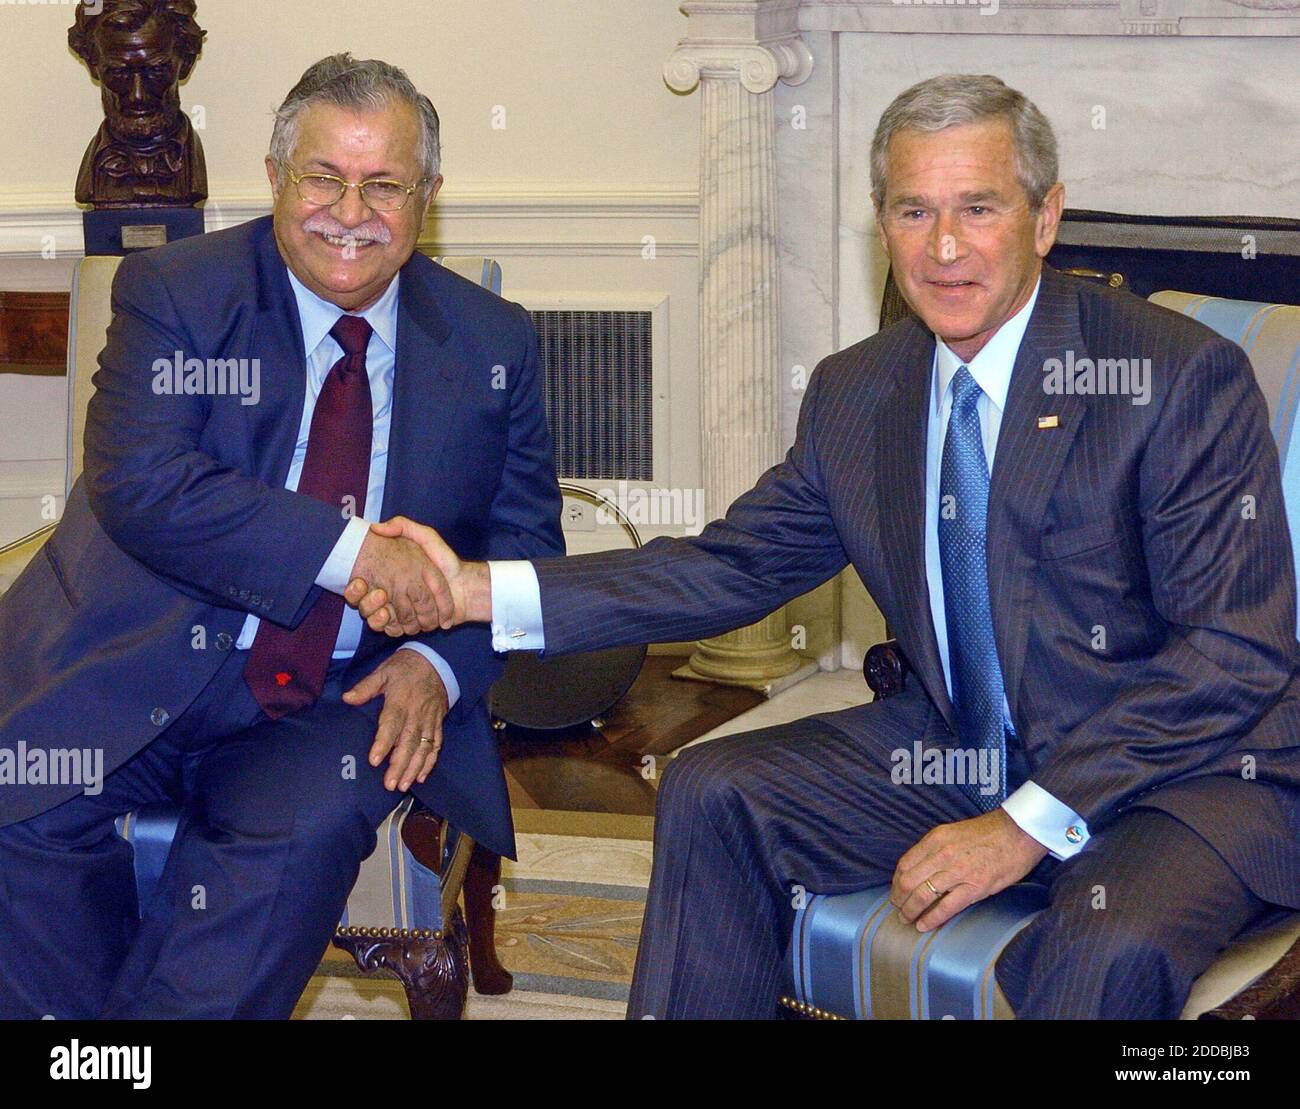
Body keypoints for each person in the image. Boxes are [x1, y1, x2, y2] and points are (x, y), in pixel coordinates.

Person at [352, 74, 1300, 1019]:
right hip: (959, 750)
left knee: (1106, 944)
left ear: (1045, 219)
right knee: (714, 790)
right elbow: (728, 566)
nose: (945, 246)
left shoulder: (1170, 377)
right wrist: (474, 589)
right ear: (880, 226)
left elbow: (1234, 651)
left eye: (979, 208)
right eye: (913, 210)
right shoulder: (861, 392)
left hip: (1181, 776)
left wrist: (1021, 826)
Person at [0, 54, 562, 1019]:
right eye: (323, 178)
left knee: (282, 847)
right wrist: (354, 555)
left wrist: (437, 658)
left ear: (428, 194)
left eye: (384, 184)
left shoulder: (490, 342)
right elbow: (145, 483)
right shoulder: (174, 292)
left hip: (340, 697)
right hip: (136, 653)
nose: (351, 211)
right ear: (274, 178)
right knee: (22, 813)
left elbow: (525, 552)